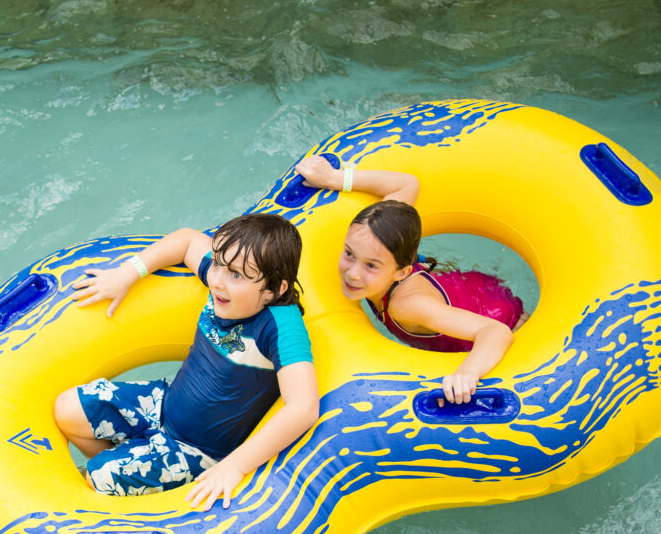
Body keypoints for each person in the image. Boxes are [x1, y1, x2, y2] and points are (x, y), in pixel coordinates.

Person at [53, 213, 319, 511]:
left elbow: (304, 407)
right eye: (218, 264)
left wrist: (236, 466)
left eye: (237, 275)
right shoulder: (223, 283)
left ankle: (120, 476)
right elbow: (187, 239)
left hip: (198, 450)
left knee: (98, 477)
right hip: (165, 403)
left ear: (275, 289)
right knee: (67, 410)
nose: (217, 281)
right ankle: (131, 460)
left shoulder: (280, 326)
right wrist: (127, 273)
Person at [297, 155, 524, 407]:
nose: (353, 274)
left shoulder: (408, 305)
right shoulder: (385, 235)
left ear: (401, 272)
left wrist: (467, 373)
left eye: (371, 265)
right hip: (467, 289)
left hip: (503, 318)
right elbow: (406, 185)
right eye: (350, 254)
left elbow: (495, 331)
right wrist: (333, 179)